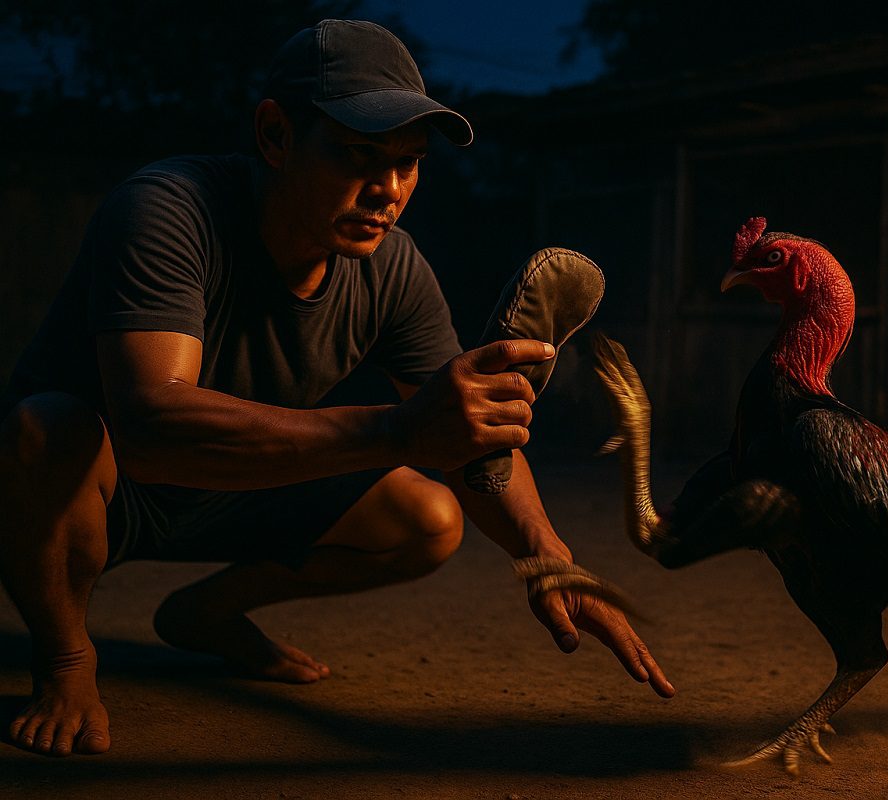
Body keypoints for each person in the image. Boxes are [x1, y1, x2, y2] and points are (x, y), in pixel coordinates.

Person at [0, 18, 673, 757]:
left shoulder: (393, 268)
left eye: (409, 163)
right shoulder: (168, 208)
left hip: (234, 488)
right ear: (275, 135)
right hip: (95, 488)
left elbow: (464, 434)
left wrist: (548, 555)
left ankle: (209, 613)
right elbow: (151, 430)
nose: (387, 189)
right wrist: (399, 431)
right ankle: (66, 656)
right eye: (357, 155)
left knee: (430, 517)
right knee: (46, 428)